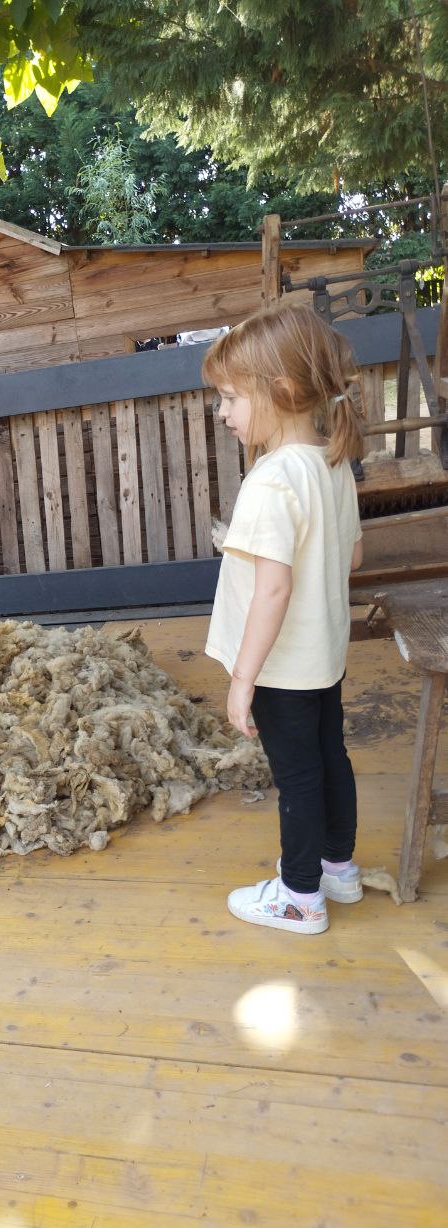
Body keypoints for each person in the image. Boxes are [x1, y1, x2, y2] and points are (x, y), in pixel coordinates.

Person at [202, 305, 364, 935]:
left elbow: (272, 589)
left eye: (230, 398)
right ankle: (337, 868)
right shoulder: (331, 462)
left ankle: (299, 896)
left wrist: (243, 678)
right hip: (323, 655)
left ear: (281, 390)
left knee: (296, 776)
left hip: (280, 667)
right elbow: (352, 555)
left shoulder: (270, 480)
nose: (223, 412)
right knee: (330, 758)